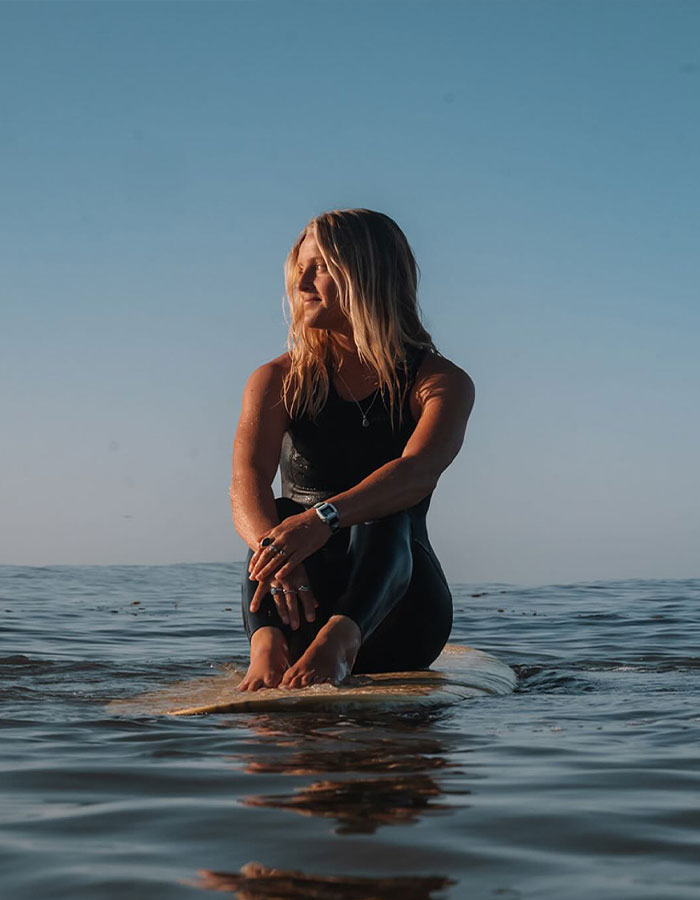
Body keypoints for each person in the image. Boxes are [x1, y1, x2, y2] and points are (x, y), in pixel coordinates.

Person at [230, 209, 474, 692]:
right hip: (297, 603)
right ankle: (267, 647)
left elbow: (418, 471)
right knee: (275, 518)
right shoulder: (277, 379)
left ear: (368, 276)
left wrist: (321, 519)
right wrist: (279, 555)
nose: (301, 283)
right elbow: (247, 479)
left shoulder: (439, 381)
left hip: (400, 611)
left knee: (385, 509)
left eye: (319, 267)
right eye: (298, 268)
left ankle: (341, 641)